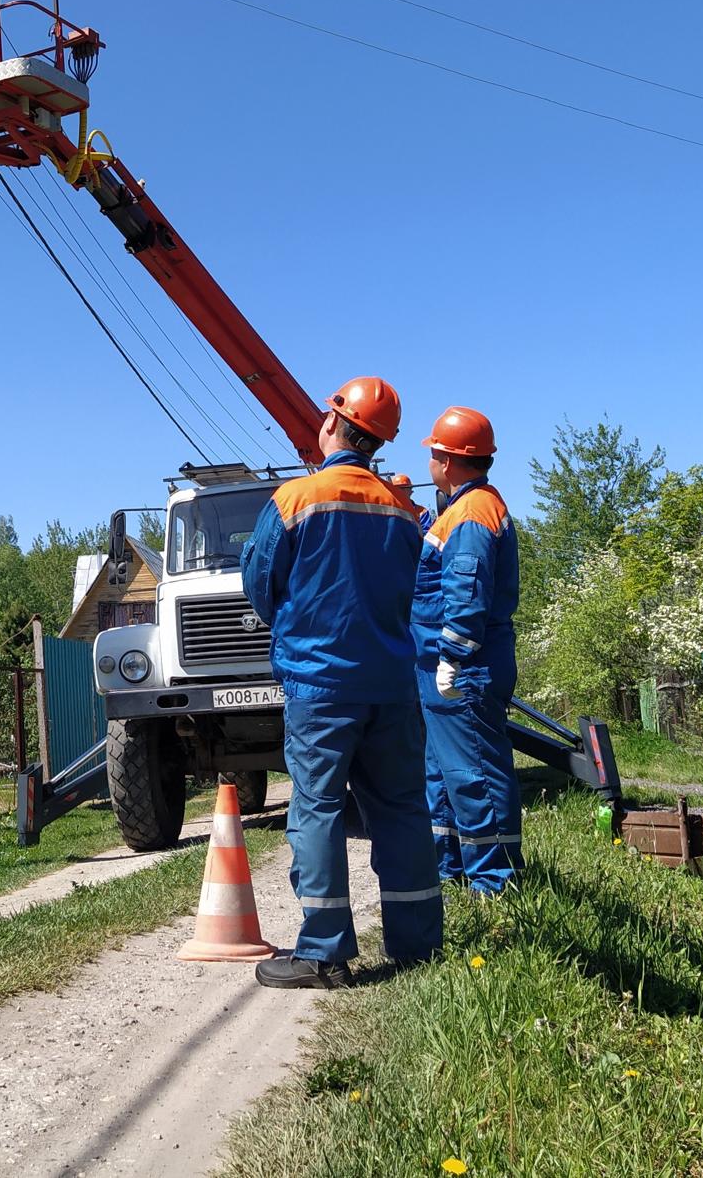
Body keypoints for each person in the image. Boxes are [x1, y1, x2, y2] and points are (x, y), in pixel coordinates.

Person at [240, 377, 443, 988]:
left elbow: (259, 584)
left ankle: (325, 951)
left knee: (319, 810)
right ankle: (418, 946)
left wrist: (296, 626)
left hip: (320, 688)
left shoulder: (296, 499)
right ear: (380, 442)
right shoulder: (402, 510)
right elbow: (420, 590)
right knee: (404, 810)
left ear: (333, 424)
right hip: (391, 686)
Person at [412, 406, 523, 893]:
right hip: (448, 665)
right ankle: (450, 870)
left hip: (465, 666)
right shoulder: (461, 510)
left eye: (434, 452)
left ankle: (497, 883)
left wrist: (453, 655)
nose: (430, 461)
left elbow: (467, 588)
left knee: (473, 772)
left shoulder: (473, 514)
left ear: (449, 459)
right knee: (444, 775)